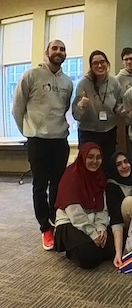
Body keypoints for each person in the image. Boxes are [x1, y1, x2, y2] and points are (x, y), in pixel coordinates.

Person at [12, 39, 73, 250]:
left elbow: (64, 109)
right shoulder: (31, 75)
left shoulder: (67, 82)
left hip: (59, 140)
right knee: (40, 186)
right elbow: (17, 109)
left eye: (62, 49)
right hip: (38, 141)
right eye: (54, 48)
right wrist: (29, 133)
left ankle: (55, 221)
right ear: (46, 51)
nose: (59, 51)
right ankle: (44, 228)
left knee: (57, 184)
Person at [54, 142, 115, 269]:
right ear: (82, 157)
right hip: (70, 222)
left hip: (93, 221)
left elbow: (102, 207)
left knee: (113, 248)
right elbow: (74, 213)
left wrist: (101, 227)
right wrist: (92, 233)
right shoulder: (71, 176)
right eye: (90, 157)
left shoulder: (100, 177)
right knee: (89, 258)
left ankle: (87, 246)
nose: (95, 161)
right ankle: (72, 250)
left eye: (98, 157)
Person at [72, 50, 123, 169]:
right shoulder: (83, 84)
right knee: (89, 166)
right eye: (95, 63)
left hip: (109, 131)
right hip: (89, 132)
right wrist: (81, 106)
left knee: (107, 165)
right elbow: (75, 114)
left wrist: (121, 110)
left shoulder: (114, 83)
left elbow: (118, 105)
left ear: (107, 63)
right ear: (91, 66)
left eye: (102, 62)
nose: (99, 65)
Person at [105, 152, 132, 268]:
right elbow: (116, 221)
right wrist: (119, 253)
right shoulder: (112, 186)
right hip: (126, 229)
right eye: (119, 164)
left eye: (126, 161)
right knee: (129, 202)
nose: (124, 166)